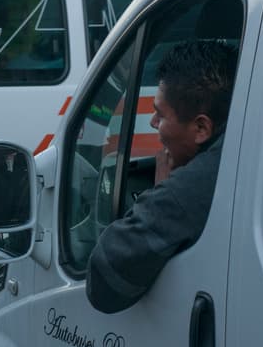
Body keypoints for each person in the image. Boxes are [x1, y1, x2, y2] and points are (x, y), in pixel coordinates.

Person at [86, 40, 236, 313]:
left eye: (159, 114)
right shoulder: (251, 146)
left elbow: (102, 280)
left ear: (201, 128)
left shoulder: (187, 191)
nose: (153, 123)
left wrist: (162, 190)